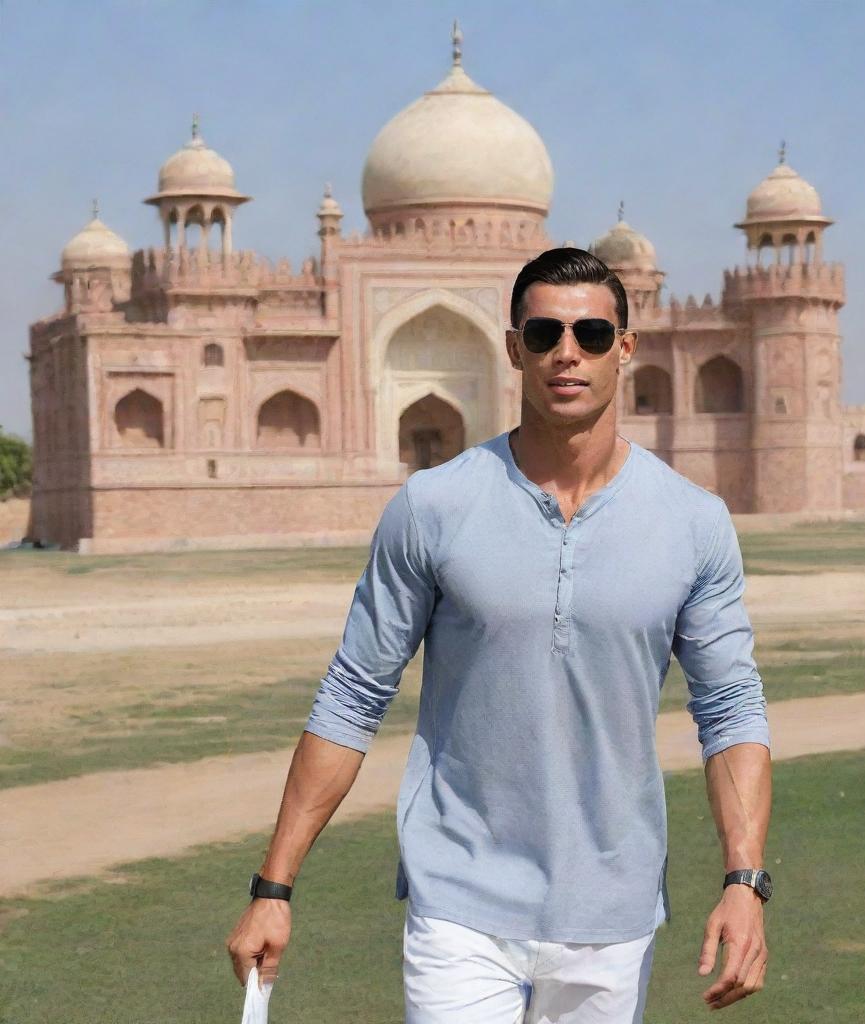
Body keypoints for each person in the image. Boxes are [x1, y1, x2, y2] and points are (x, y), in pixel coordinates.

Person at [226, 248, 773, 1021]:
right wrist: (272, 889)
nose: (566, 352)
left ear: (626, 346)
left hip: (610, 909)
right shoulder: (433, 507)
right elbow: (353, 696)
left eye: (590, 332)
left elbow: (731, 711)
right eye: (545, 332)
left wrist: (745, 882)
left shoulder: (693, 522)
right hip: (461, 902)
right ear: (512, 348)